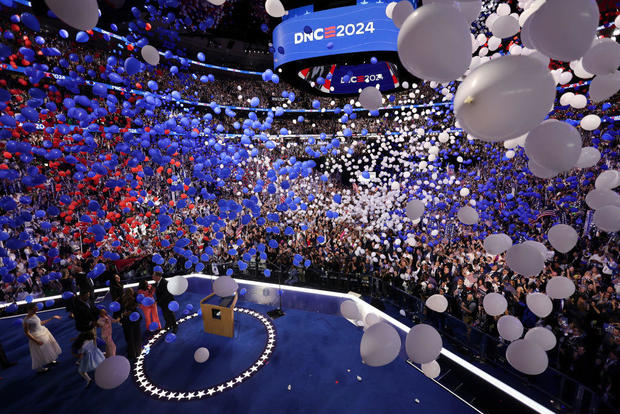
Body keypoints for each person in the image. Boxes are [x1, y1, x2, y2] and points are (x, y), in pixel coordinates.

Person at [23, 304, 62, 373]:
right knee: (38, 352)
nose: (36, 311)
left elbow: (40, 323)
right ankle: (40, 369)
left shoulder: (34, 315)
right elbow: (27, 333)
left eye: (36, 310)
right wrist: (36, 341)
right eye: (34, 310)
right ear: (29, 310)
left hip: (44, 333)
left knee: (47, 348)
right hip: (36, 336)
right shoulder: (26, 320)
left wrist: (52, 318)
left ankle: (50, 361)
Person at [119, 288, 143, 360]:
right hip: (134, 320)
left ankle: (131, 353)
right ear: (131, 292)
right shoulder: (134, 300)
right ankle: (138, 352)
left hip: (126, 321)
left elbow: (119, 310)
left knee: (129, 338)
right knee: (137, 336)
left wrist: (123, 314)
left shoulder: (121, 299)